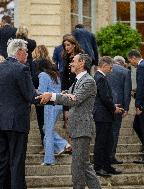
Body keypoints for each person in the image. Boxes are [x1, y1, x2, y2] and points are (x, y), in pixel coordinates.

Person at [37, 53, 102, 189]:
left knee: (79, 166)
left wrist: (52, 95)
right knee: (82, 165)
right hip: (77, 128)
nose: (70, 63)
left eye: (73, 61)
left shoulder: (88, 81)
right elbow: (68, 94)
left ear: (82, 63)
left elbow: (74, 98)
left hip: (82, 128)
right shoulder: (78, 80)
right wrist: (51, 96)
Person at [0, 39, 36, 189]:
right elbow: (31, 96)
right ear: (19, 52)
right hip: (15, 123)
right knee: (16, 162)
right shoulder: (21, 69)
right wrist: (53, 97)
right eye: (26, 52)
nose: (27, 55)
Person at [93, 56, 124, 176]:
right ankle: (98, 167)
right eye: (110, 68)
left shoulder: (99, 77)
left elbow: (104, 98)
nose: (111, 70)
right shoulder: (100, 78)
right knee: (101, 142)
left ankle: (106, 166)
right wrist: (114, 108)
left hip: (104, 114)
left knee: (107, 141)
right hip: (102, 115)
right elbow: (104, 97)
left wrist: (112, 105)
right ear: (104, 65)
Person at [37, 58, 70, 165]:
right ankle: (63, 145)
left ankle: (49, 160)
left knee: (48, 132)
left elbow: (42, 91)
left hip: (50, 105)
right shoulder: (55, 74)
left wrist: (33, 90)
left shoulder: (43, 75)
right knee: (46, 129)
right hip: (58, 104)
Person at [107, 55, 132, 164]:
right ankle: (111, 155)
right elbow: (127, 91)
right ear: (122, 63)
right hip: (119, 105)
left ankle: (103, 155)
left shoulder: (105, 69)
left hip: (105, 104)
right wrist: (126, 108)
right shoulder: (125, 72)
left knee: (104, 131)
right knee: (114, 131)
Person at [31, 45, 53, 146]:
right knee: (48, 122)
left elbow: (34, 78)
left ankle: (45, 144)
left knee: (41, 121)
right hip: (51, 95)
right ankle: (49, 144)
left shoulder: (35, 63)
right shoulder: (51, 63)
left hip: (40, 94)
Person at [61, 35, 84, 128]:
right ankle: (70, 143)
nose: (66, 48)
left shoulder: (82, 57)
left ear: (74, 45)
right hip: (67, 93)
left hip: (78, 93)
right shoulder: (66, 58)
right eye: (65, 45)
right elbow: (64, 77)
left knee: (76, 125)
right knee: (68, 123)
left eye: (68, 45)